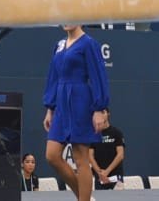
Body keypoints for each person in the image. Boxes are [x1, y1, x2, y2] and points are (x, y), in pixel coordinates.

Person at [44, 23, 110, 201]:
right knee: (52, 155)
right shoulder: (58, 45)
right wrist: (50, 108)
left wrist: (98, 109)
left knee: (81, 159)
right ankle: (86, 197)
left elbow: (98, 76)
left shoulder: (89, 43)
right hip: (60, 104)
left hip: (81, 101)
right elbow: (53, 77)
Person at [91, 111, 125, 190]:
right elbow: (90, 156)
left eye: (103, 112)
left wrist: (107, 171)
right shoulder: (94, 134)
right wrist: (100, 173)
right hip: (100, 178)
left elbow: (120, 155)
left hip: (116, 176)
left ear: (108, 114)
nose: (101, 115)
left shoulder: (117, 133)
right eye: (99, 113)